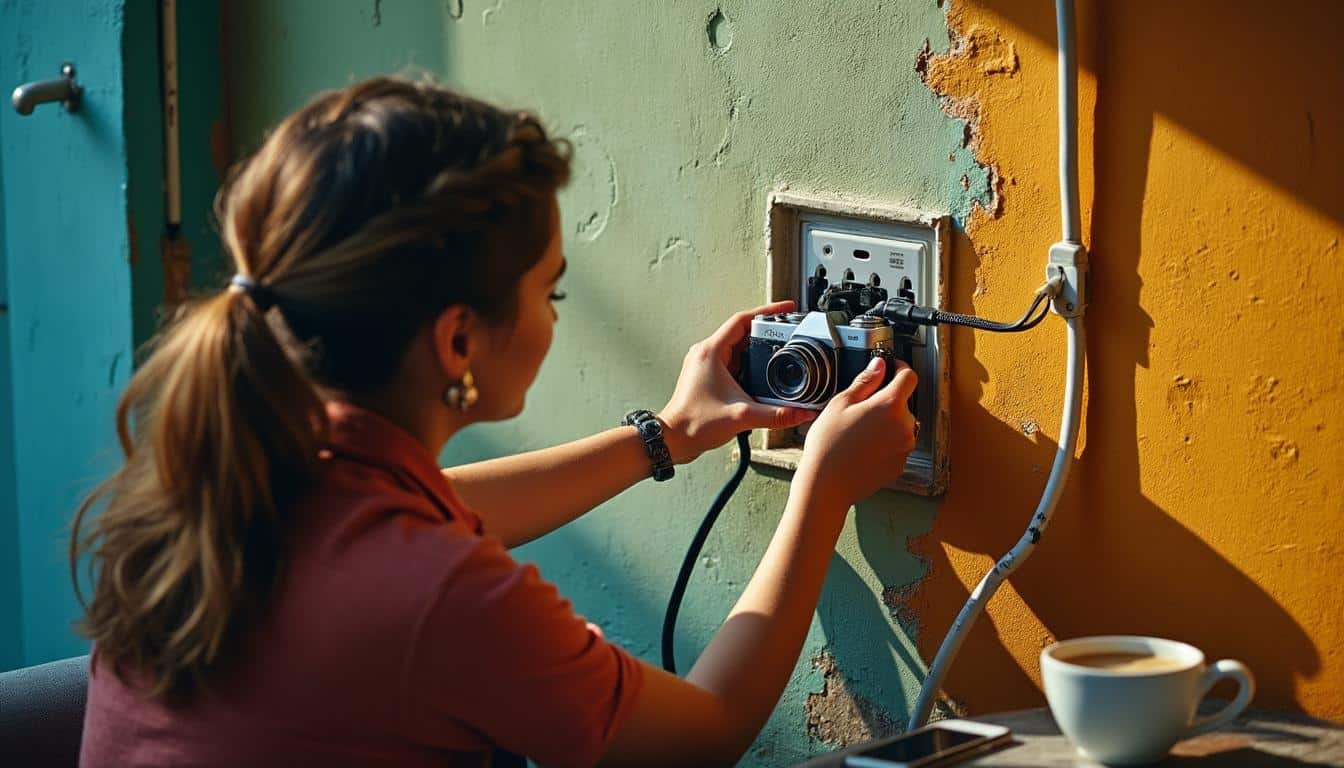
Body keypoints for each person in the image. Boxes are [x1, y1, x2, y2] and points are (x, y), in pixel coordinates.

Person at [72, 77, 918, 767]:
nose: (555, 314)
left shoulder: (239, 479)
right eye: (548, 291)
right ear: (459, 338)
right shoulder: (431, 593)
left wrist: (667, 432)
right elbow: (702, 735)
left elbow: (454, 504)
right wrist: (823, 490)